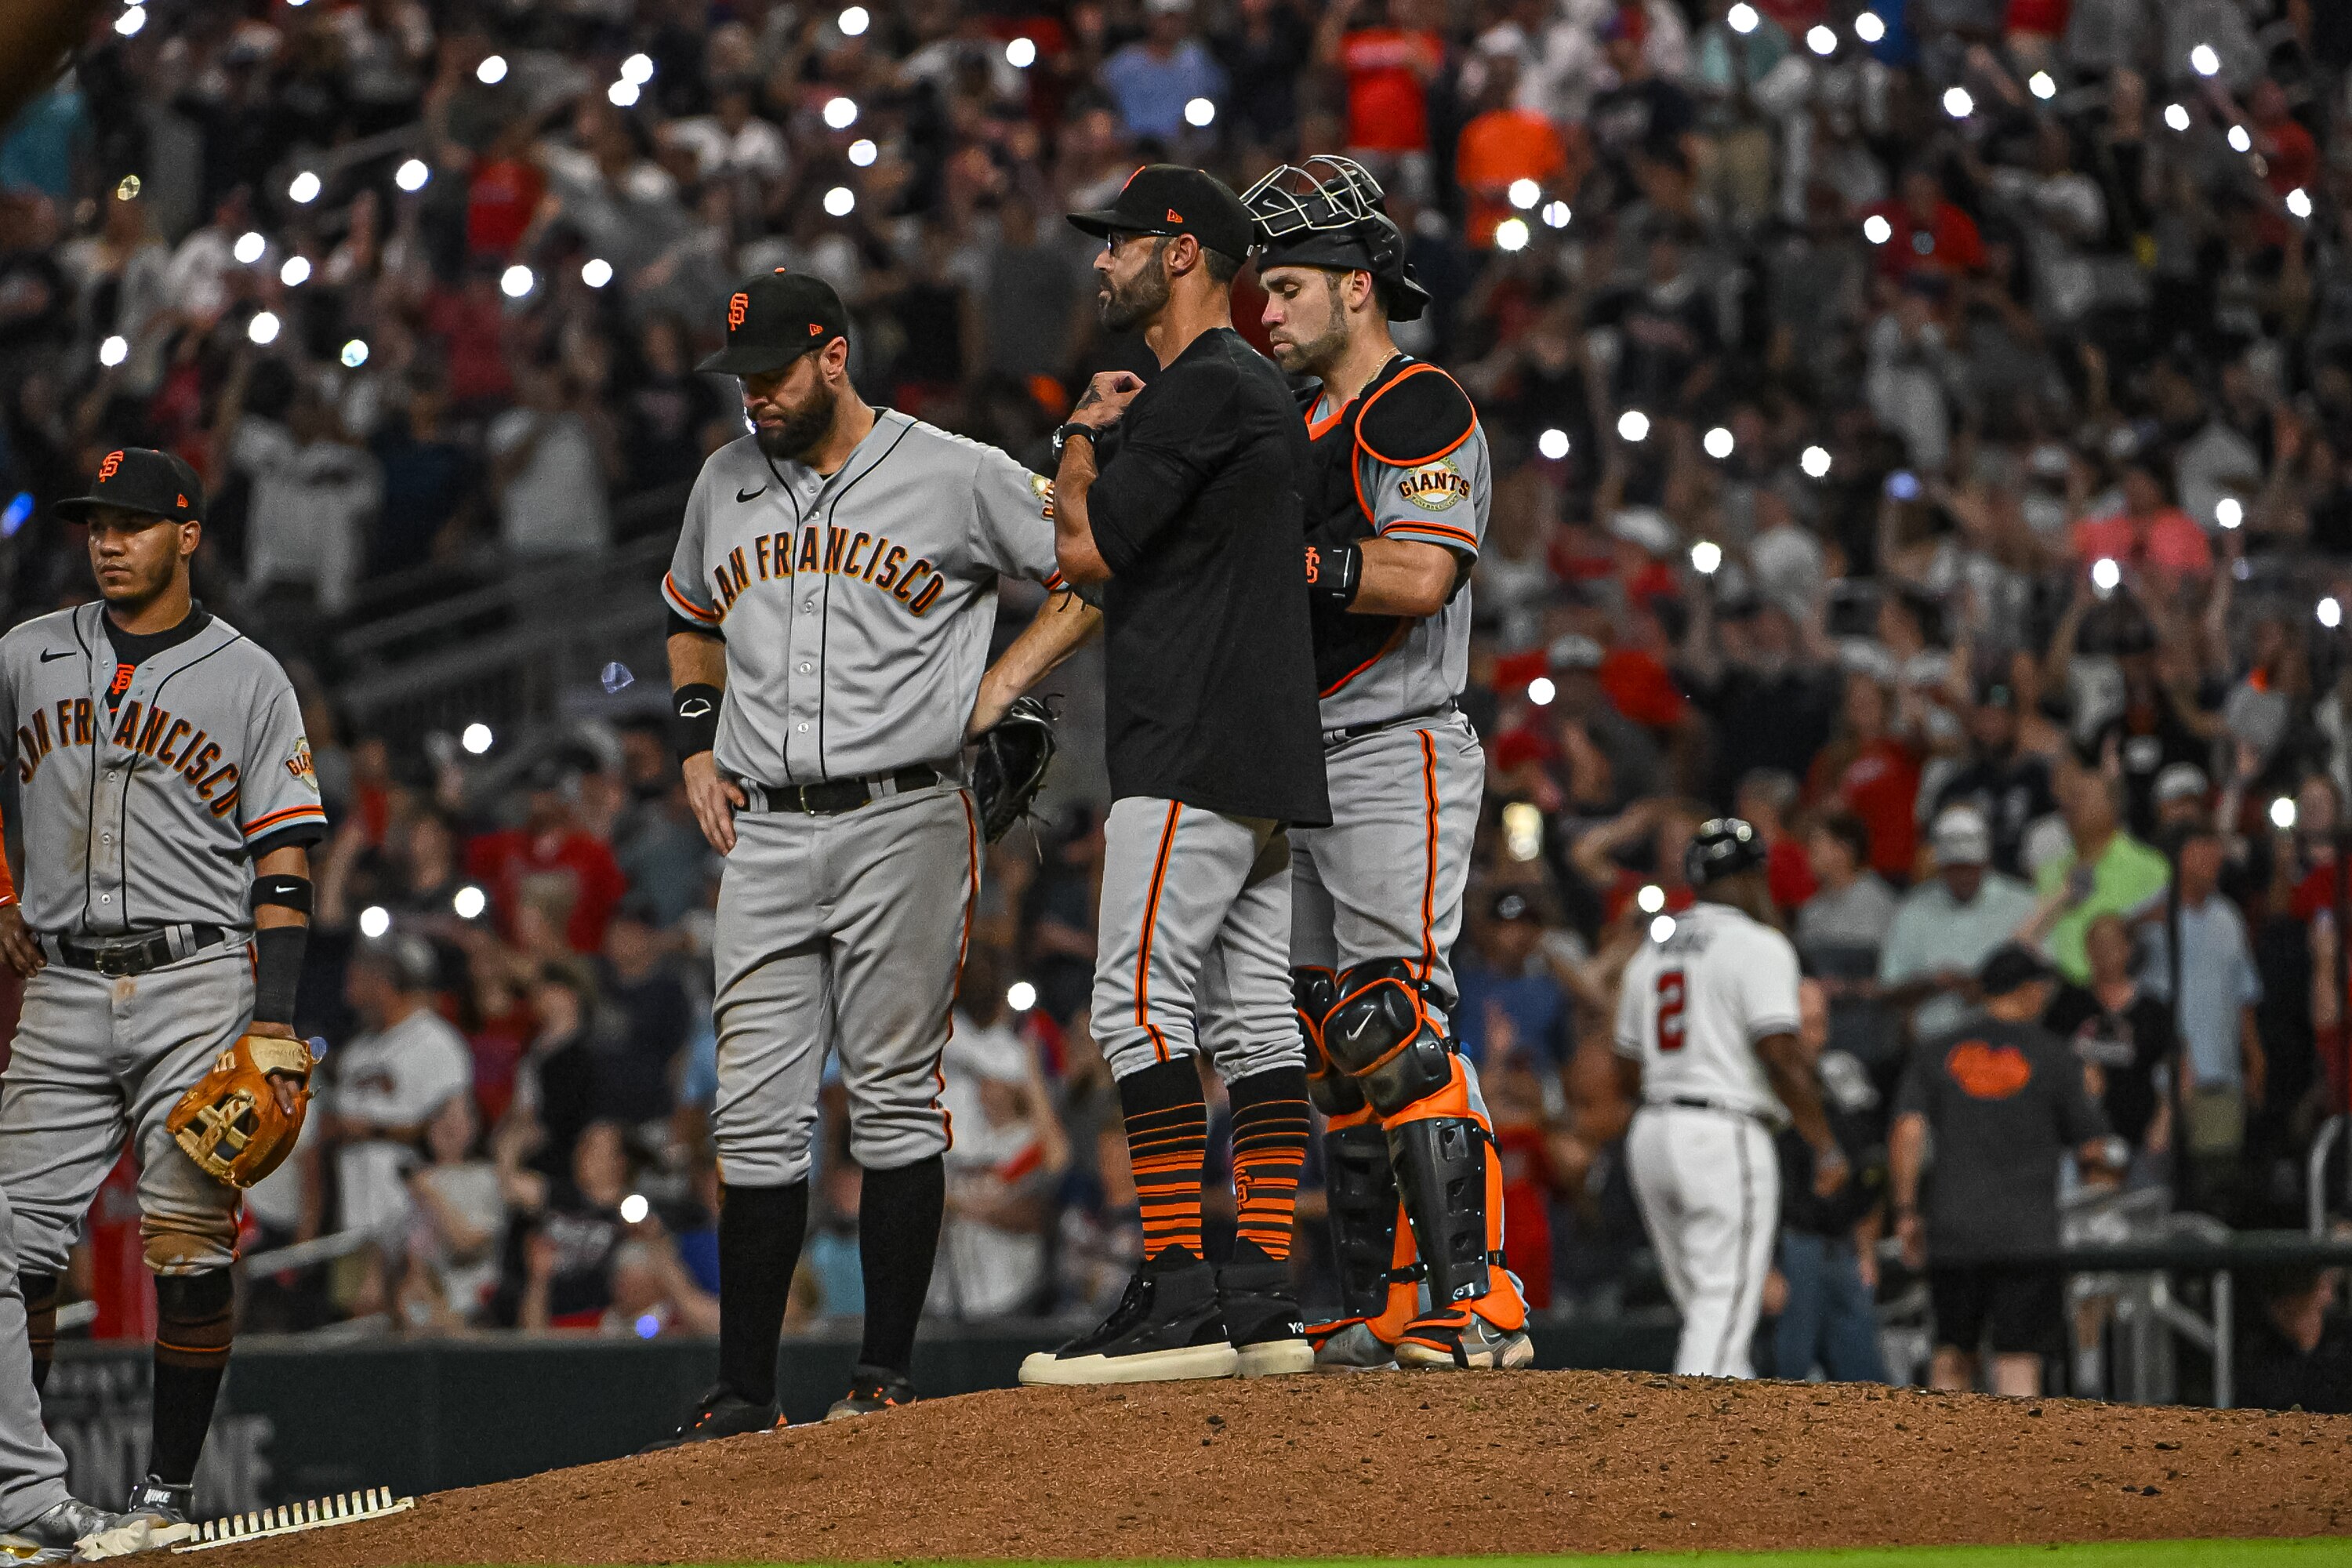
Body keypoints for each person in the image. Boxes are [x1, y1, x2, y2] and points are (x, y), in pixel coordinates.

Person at [650, 270, 1098, 1439]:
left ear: (835, 357)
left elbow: (1089, 566)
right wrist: (697, 746)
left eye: (775, 374)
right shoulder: (724, 480)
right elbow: (691, 618)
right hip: (763, 823)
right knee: (751, 1114)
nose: (755, 398)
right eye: (742, 380)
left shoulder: (952, 470)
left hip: (905, 813)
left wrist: (1005, 679)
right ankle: (747, 1390)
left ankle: (883, 1378)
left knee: (895, 1096)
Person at [1021, 165, 1327, 1385]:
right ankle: (1255, 1286)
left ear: (1184, 251)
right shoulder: (1244, 389)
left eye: (1122, 241)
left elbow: (1086, 548)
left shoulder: (1203, 386)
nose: (1103, 261)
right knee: (1253, 1019)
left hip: (1191, 744)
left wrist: (1085, 433)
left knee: (1131, 1006)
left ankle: (1178, 1285)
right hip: (1258, 753)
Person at [0, 448, 326, 1534]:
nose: (107, 541)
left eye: (132, 524)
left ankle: (167, 1498)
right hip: (60, 985)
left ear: (187, 535)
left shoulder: (248, 677)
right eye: (95, 524)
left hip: (195, 981)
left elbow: (284, 860)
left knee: (188, 1241)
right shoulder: (29, 653)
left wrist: (273, 1018)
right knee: (10, 1243)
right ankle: (26, 1500)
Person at [1244, 154, 1529, 1371]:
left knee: (1391, 1019)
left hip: (1395, 739)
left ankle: (1483, 1299)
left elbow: (1420, 573)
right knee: (1331, 1036)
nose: (1268, 311)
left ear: (1360, 287)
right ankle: (1383, 1300)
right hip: (1312, 757)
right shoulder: (1297, 418)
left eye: (1293, 286)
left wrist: (1287, 569)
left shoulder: (1414, 402)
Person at [1615, 819, 1848, 1379]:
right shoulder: (1758, 944)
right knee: (1721, 1306)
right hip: (1723, 1134)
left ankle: (1726, 1445)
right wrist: (1826, 1145)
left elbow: (1626, 1064)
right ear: (1750, 878)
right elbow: (1782, 1054)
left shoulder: (1656, 946)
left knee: (1707, 1310)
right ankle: (1693, 1450)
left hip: (1652, 1131)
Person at [1889, 944, 2123, 1397]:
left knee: (1951, 1356)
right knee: (2017, 1362)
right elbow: (2095, 1149)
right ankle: (2016, 1466)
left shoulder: (1936, 1051)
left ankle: (1936, 1461)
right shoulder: (2055, 1057)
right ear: (2029, 990)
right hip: (2027, 1236)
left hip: (1954, 1230)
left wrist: (1905, 1210)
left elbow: (1907, 1130)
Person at [2139, 824, 2266, 1207]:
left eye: (2216, 852)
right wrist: (2136, 925)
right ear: (2179, 859)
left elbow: (2243, 994)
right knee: (2162, 1185)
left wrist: (2255, 1058)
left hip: (2220, 1073)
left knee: (2217, 1185)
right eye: (2203, 852)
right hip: (2163, 1078)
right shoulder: (2152, 919)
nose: (2214, 861)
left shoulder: (2229, 917)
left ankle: (2214, 1267)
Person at [1769, 978, 1889, 1384]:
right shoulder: (1759, 1087)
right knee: (1787, 1374)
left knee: (1865, 1380)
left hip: (1841, 1243)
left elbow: (1872, 1168)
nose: (1813, 1036)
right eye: (1803, 1025)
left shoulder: (1843, 1076)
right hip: (1790, 1244)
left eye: (1819, 1024)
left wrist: (1867, 1247)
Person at [1879, 807, 2042, 1050]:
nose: (1963, 876)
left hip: (2008, 1045)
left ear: (1985, 863)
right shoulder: (1913, 909)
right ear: (1941, 867)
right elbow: (1889, 989)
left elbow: (2044, 982)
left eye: (1970, 866)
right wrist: (1935, 984)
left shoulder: (2023, 903)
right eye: (1955, 868)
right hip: (1932, 1047)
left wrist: (1984, 988)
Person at [2042, 913, 2176, 1176]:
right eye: (2098, 946)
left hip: (2139, 1139)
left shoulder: (2153, 1010)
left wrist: (2164, 1122)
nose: (2106, 954)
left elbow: (2180, 1071)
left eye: (2113, 945)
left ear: (2128, 949)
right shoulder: (2067, 1004)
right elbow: (2043, 1061)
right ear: (2087, 950)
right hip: (2078, 1144)